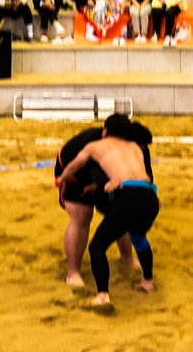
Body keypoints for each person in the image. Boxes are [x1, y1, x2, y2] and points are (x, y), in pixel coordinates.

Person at [55, 114, 159, 308]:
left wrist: (63, 180)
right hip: (146, 197)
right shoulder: (93, 142)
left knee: (98, 246)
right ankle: (74, 272)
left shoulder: (120, 145)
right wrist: (66, 179)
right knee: (86, 218)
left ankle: (103, 295)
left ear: (106, 131)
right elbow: (72, 165)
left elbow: (142, 173)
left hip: (124, 190)